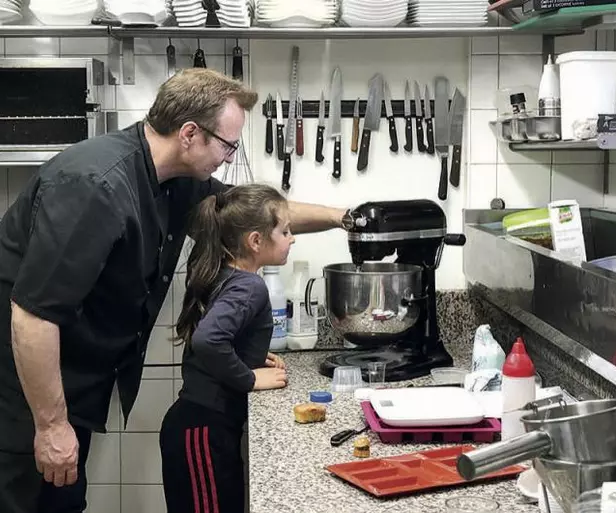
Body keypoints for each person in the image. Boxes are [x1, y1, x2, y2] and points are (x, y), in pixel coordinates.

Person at [0, 68, 357, 513]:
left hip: (65, 384)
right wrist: (51, 425)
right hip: (21, 395)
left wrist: (346, 216)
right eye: (228, 144)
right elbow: (33, 316)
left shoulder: (173, 182)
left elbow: (258, 216)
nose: (230, 157)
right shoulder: (95, 187)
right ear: (190, 133)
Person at [160, 183, 291, 513]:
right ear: (256, 241)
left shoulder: (223, 273)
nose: (292, 238)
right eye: (285, 231)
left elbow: (222, 333)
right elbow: (208, 340)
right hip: (203, 430)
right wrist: (249, 378)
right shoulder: (250, 286)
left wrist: (250, 355)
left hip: (197, 426)